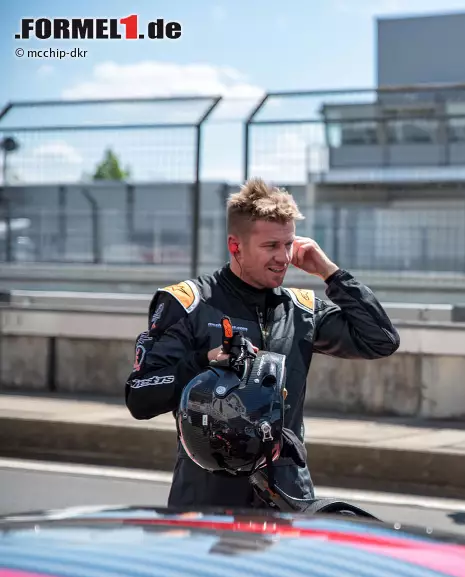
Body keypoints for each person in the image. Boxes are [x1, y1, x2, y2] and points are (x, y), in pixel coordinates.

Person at [125, 178, 400, 510]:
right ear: (235, 246)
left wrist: (329, 272)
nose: (283, 257)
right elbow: (140, 396)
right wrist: (204, 362)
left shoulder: (301, 309)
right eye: (271, 246)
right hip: (207, 497)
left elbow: (381, 339)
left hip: (287, 493)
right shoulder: (189, 303)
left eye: (288, 244)